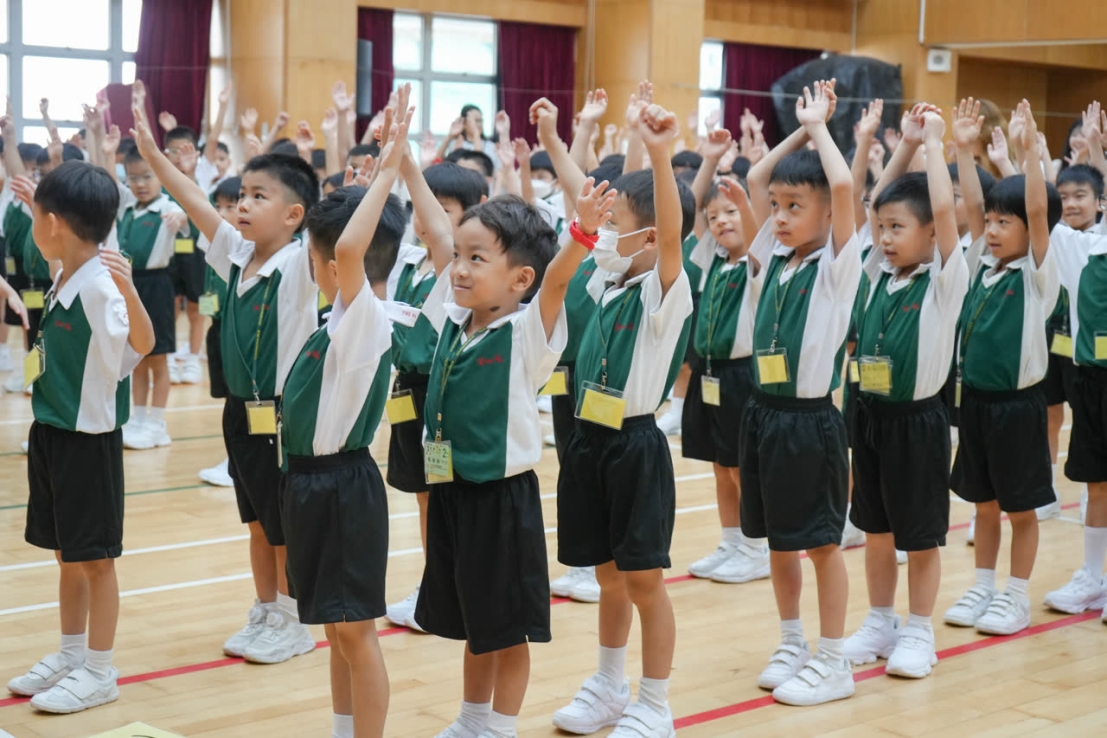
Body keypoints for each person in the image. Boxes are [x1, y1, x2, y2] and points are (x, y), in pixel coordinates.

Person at [131, 89, 322, 664]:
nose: (242, 204)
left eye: (259, 196)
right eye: (241, 195)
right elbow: (193, 199)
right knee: (257, 521)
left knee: (282, 525)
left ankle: (293, 619)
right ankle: (266, 608)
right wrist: (154, 153)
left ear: (294, 216)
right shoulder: (236, 256)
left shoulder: (301, 264)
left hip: (282, 414)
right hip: (240, 410)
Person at [413, 96, 582, 738]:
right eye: (459, 256)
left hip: (501, 500)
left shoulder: (527, 333)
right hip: (453, 491)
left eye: (476, 259)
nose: (458, 268)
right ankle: (472, 720)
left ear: (519, 280)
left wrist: (582, 235)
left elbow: (558, 280)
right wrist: (403, 162)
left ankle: (501, 728)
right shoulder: (454, 319)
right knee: (473, 622)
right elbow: (437, 233)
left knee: (506, 629)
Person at [553, 96, 693, 736]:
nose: (605, 236)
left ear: (651, 237)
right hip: (587, 441)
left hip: (635, 446)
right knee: (606, 576)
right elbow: (580, 197)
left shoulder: (665, 288)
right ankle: (609, 684)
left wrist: (659, 154)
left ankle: (655, 702)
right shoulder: (601, 282)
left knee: (643, 581)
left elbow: (670, 230)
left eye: (617, 226)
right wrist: (566, 141)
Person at [279, 98, 413, 738]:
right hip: (308, 485)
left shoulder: (366, 323)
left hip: (343, 490)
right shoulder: (332, 319)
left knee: (356, 632)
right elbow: (348, 244)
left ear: (334, 266)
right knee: (333, 629)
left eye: (313, 255)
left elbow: (353, 249)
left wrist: (387, 172)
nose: (309, 265)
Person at [7, 160, 154, 713]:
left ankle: (99, 669)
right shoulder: (67, 273)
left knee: (95, 560)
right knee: (66, 555)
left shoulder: (100, 286)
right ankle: (71, 654)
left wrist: (130, 292)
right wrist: (31, 192)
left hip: (88, 442)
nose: (33, 226)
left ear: (55, 224)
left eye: (36, 216)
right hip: (51, 434)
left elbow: (143, 342)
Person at [738, 80, 862, 706]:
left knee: (819, 544)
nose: (780, 217)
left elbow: (841, 187)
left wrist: (820, 128)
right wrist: (796, 131)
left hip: (810, 422)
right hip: (763, 415)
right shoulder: (774, 257)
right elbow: (757, 175)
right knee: (777, 541)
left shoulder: (837, 265)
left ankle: (834, 660)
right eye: (777, 208)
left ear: (827, 217)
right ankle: (792, 642)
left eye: (794, 207)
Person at [842, 105, 968, 679]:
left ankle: (919, 629)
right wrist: (907, 145)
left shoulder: (945, 278)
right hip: (869, 415)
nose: (886, 238)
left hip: (917, 422)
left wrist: (935, 144)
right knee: (875, 529)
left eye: (899, 228)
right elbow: (876, 202)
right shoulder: (875, 271)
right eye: (883, 229)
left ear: (931, 234)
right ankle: (880, 621)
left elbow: (942, 208)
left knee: (918, 536)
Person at [944, 101, 1061, 637]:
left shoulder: (1038, 274)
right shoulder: (980, 265)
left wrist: (1027, 151)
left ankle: (1015, 596)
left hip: (1017, 408)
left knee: (1020, 509)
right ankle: (983, 586)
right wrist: (965, 149)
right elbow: (972, 205)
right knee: (983, 505)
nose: (990, 229)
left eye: (1003, 222)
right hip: (976, 405)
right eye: (989, 221)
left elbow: (1037, 209)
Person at [383, 161, 488, 632]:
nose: (425, 218)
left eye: (441, 209)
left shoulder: (455, 267)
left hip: (436, 390)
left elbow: (446, 241)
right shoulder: (409, 261)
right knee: (424, 498)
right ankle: (435, 583)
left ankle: (444, 588)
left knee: (441, 498)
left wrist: (407, 165)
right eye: (421, 208)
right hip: (404, 387)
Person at [681, 128, 769, 584]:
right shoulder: (711, 258)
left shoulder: (757, 264)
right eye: (715, 217)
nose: (721, 222)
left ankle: (756, 547)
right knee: (719, 465)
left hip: (740, 376)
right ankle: (731, 541)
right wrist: (710, 160)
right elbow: (690, 208)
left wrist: (744, 201)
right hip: (709, 373)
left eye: (731, 212)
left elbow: (759, 238)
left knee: (739, 466)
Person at [1041, 114, 1107, 620]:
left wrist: (1097, 151)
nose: (1071, 203)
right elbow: (1041, 203)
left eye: (1081, 196)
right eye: (1066, 197)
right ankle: (1093, 576)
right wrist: (1029, 152)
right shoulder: (1071, 246)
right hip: (1090, 377)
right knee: (1095, 482)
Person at [114, 147, 190, 450]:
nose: (140, 184)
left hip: (157, 286)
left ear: (160, 175)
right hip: (130, 286)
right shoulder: (129, 207)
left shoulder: (168, 207)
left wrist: (181, 217)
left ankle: (157, 424)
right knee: (137, 357)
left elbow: (186, 212)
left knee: (158, 358)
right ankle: (138, 418)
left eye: (147, 176)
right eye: (133, 178)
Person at [196, 176, 241, 488]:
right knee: (228, 398)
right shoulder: (216, 240)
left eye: (231, 206)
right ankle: (233, 459)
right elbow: (196, 207)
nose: (222, 213)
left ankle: (236, 463)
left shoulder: (247, 246)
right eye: (219, 206)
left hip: (239, 330)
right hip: (218, 326)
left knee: (238, 399)